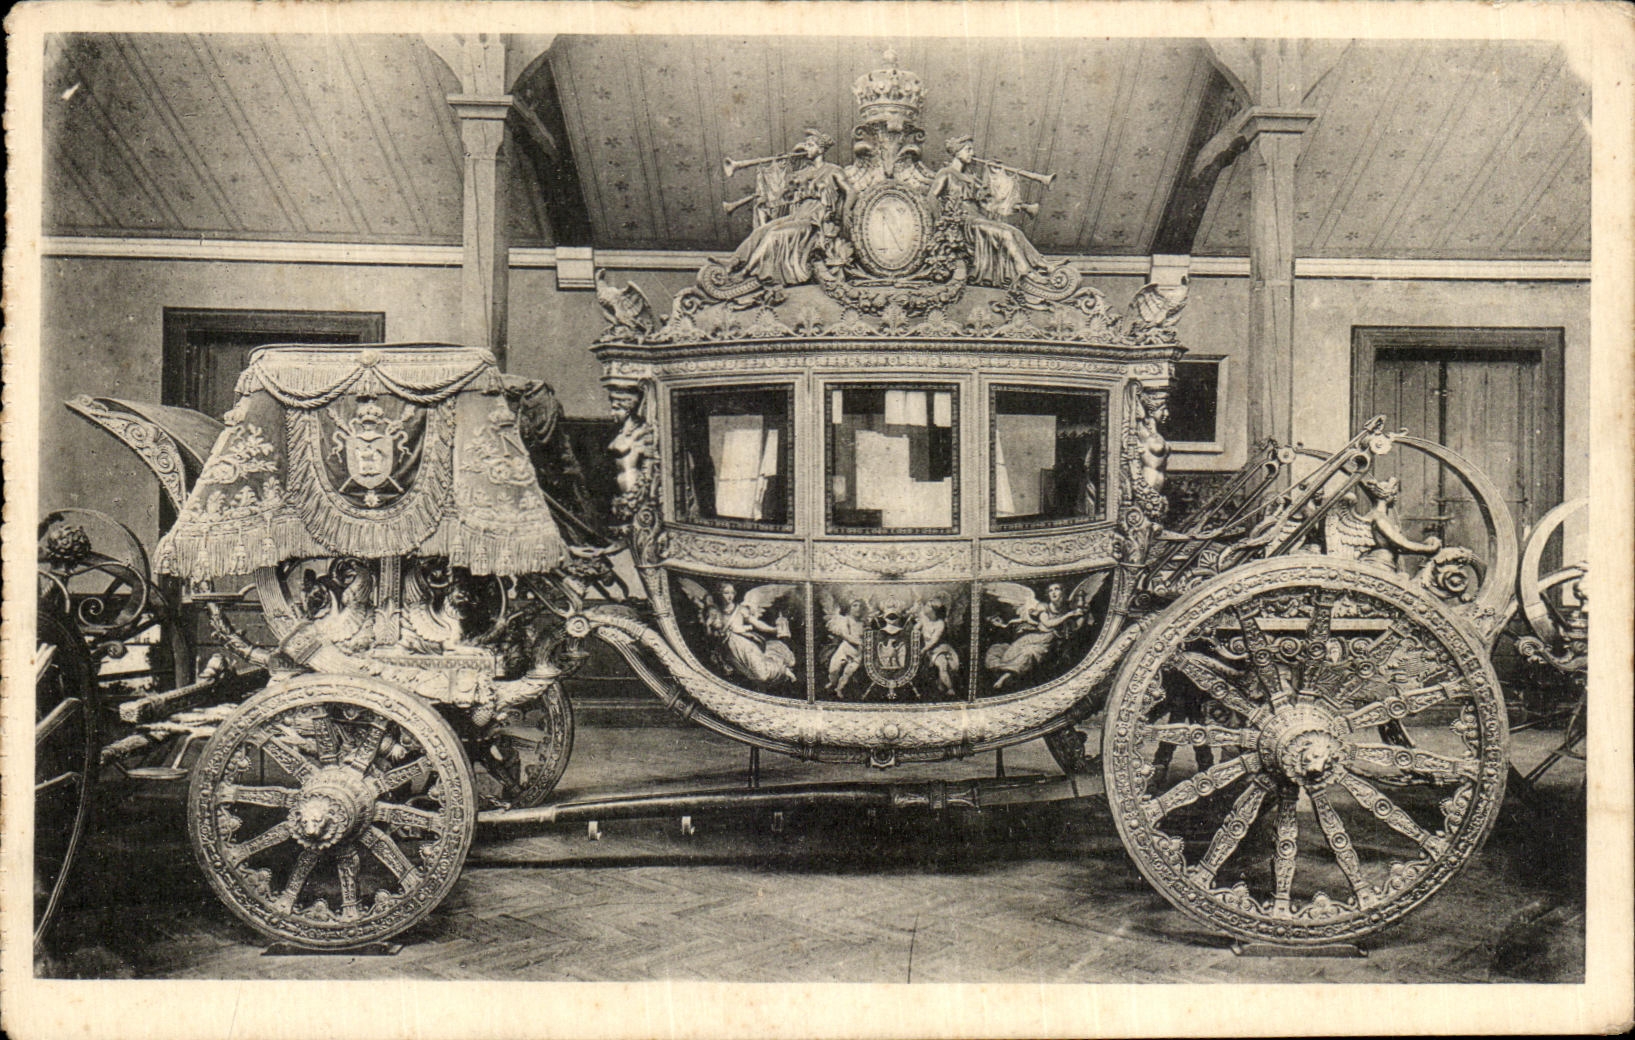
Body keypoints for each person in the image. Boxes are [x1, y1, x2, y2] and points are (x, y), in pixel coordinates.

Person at [721, 129, 851, 286]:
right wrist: (785, 163)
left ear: (821, 149)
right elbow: (783, 193)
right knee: (761, 230)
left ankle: (745, 272)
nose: (806, 148)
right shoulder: (804, 172)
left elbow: (852, 192)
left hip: (814, 221)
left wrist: (846, 212)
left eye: (810, 145)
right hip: (797, 216)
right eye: (806, 145)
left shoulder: (833, 170)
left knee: (774, 234)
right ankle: (733, 262)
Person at [928, 135, 1055, 289]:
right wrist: (941, 223)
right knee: (1005, 234)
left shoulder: (970, 177)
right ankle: (1026, 272)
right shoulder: (946, 173)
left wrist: (997, 176)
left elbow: (988, 201)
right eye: (968, 150)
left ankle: (1042, 264)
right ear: (957, 152)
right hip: (965, 221)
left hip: (978, 218)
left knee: (1014, 231)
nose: (972, 154)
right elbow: (932, 197)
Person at [985, 583, 1084, 691]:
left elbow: (1075, 627)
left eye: (1057, 589)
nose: (1054, 592)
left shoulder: (1066, 608)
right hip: (1035, 637)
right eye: (1051, 590)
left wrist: (1082, 615)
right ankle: (1003, 670)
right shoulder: (1043, 607)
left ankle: (1005, 677)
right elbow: (1048, 623)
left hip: (1048, 642)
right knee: (1009, 655)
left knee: (1029, 653)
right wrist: (1069, 615)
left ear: (1063, 592)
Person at [723, 591, 798, 686]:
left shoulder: (740, 609)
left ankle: (782, 669)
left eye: (732, 593)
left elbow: (757, 623)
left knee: (762, 675)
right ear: (719, 593)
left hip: (743, 643)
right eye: (726, 593)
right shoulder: (716, 611)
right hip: (729, 646)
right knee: (749, 674)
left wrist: (773, 630)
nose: (730, 596)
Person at [824, 598, 868, 697]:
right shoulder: (846, 619)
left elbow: (866, 635)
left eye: (860, 606)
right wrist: (858, 642)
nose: (858, 608)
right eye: (855, 605)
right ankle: (832, 682)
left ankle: (839, 689)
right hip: (845, 649)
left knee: (848, 673)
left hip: (857, 652)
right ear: (849, 608)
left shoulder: (863, 623)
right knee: (833, 669)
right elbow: (845, 635)